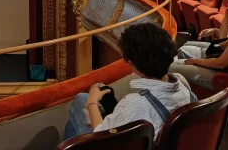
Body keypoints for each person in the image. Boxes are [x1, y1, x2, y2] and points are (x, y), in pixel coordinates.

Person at [64, 23, 195, 140]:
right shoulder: (182, 82)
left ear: (131, 62)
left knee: (81, 100)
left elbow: (101, 133)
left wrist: (92, 101)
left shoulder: (133, 103)